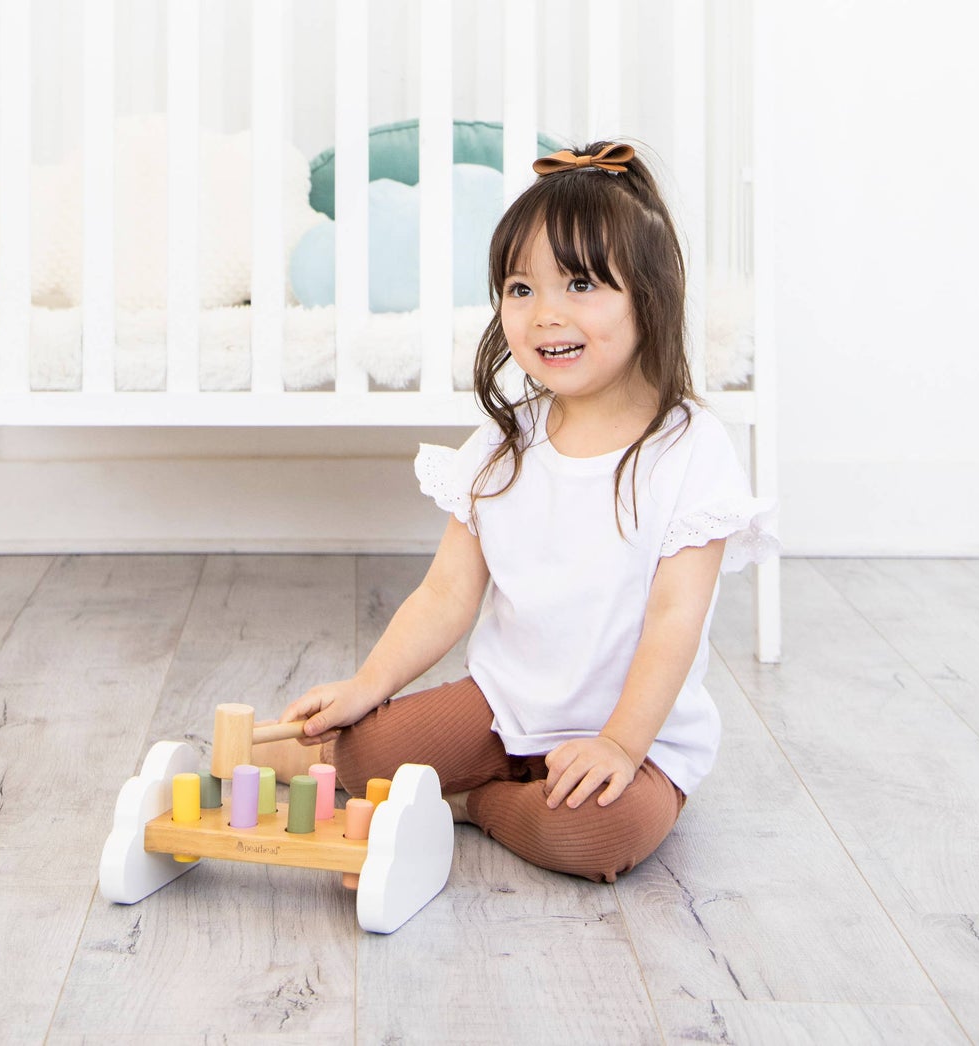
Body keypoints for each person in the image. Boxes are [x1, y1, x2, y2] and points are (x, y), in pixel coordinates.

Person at [266, 139, 779, 883]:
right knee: (365, 753)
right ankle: (486, 780)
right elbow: (445, 594)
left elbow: (675, 621)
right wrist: (366, 686)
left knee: (599, 835)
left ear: (650, 296)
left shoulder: (691, 449)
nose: (544, 315)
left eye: (580, 284)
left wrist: (619, 745)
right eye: (520, 288)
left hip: (633, 735)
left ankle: (474, 804)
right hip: (502, 705)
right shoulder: (503, 442)